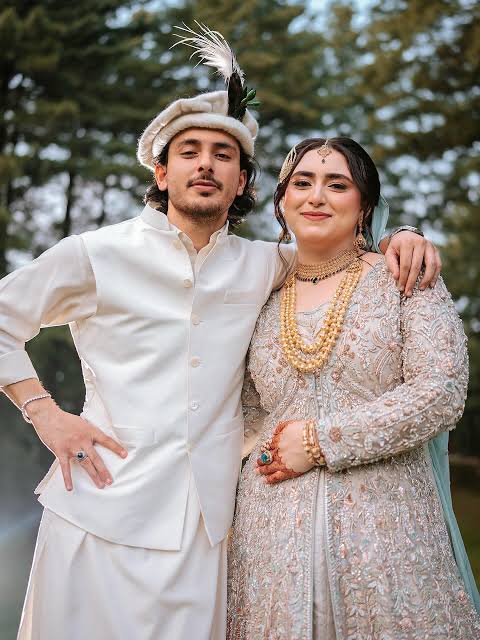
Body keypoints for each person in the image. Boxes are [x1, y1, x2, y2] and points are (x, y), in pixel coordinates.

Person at [0, 27, 438, 639]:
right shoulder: (95, 254)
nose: (206, 163)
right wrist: (45, 413)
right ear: (161, 172)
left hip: (205, 533)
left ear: (243, 184)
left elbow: (337, 245)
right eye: (189, 151)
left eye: (223, 155)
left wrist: (401, 235)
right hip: (98, 510)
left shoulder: (265, 263)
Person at [227, 136, 480, 639]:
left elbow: (441, 389)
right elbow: (243, 411)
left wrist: (321, 441)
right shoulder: (258, 291)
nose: (317, 197)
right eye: (303, 182)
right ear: (282, 201)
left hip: (389, 538)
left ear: (364, 206)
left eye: (337, 185)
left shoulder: (404, 276)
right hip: (270, 541)